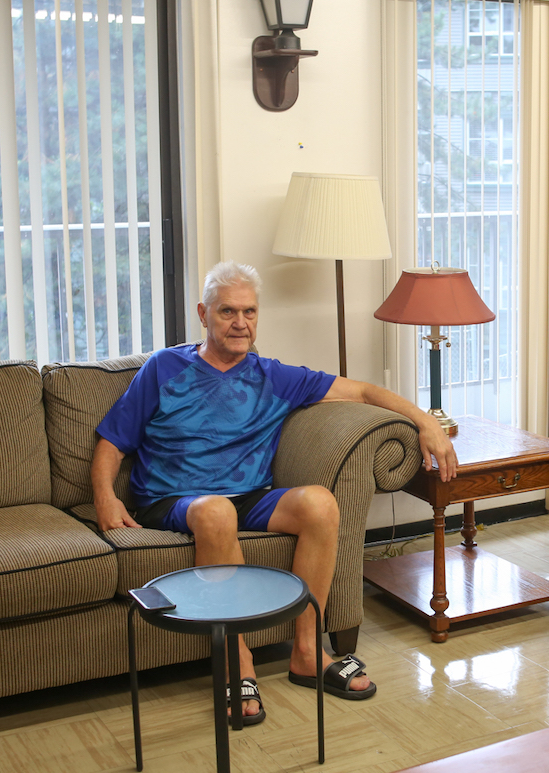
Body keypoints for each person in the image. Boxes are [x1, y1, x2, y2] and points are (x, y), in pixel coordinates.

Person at [91, 260, 458, 723]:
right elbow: (113, 440)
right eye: (227, 312)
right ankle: (236, 664)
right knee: (216, 512)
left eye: (249, 312)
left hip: (248, 494)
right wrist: (106, 496)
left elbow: (363, 392)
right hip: (173, 497)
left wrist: (425, 420)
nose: (240, 323)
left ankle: (308, 651)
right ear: (203, 314)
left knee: (321, 504)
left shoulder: (272, 376)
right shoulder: (165, 368)